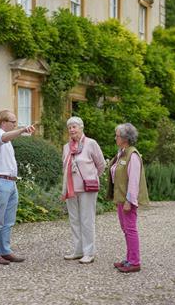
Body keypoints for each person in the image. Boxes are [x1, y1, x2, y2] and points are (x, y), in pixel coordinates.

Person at [0, 110, 35, 265]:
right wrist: (21, 130)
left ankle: (5, 251)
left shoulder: (7, 139)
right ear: (3, 122)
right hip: (0, 182)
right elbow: (4, 138)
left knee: (8, 221)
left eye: (15, 122)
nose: (15, 124)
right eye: (12, 122)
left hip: (10, 183)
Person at [61, 116, 105, 264]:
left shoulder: (91, 143)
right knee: (74, 220)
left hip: (87, 188)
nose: (72, 130)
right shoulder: (66, 147)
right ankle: (78, 250)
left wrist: (91, 178)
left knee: (87, 220)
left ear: (81, 128)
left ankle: (89, 252)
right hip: (71, 189)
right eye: (69, 127)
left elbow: (101, 165)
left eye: (74, 126)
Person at [107, 123, 149, 273]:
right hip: (121, 199)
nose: (115, 138)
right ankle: (129, 259)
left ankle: (135, 262)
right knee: (126, 229)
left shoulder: (133, 155)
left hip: (128, 200)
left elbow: (134, 180)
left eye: (117, 135)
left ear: (125, 138)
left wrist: (129, 201)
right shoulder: (122, 153)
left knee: (130, 229)